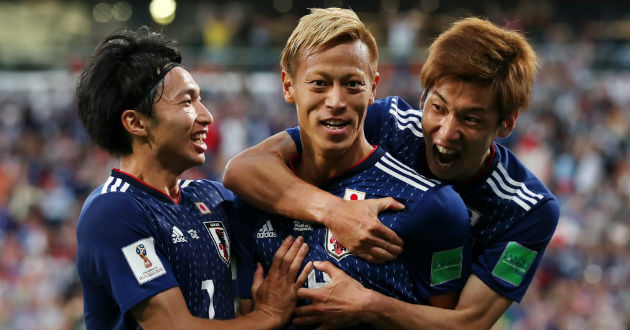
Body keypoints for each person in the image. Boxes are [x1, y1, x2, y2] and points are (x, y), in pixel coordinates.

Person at [223, 17, 559, 329]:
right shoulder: (387, 122)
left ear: (507, 123)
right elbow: (245, 168)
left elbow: (467, 323)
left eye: (470, 119)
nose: (445, 133)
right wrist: (337, 213)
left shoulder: (528, 209)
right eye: (438, 107)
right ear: (423, 95)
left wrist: (368, 304)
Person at [231, 7, 471, 327]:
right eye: (319, 83)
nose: (336, 101)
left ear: (373, 88)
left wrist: (372, 306)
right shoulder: (251, 201)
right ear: (288, 85)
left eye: (352, 84)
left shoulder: (431, 205)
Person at [75, 27, 310, 330]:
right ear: (135, 122)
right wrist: (267, 317)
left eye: (200, 99)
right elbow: (174, 326)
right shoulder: (112, 211)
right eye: (187, 102)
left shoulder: (212, 198)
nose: (207, 116)